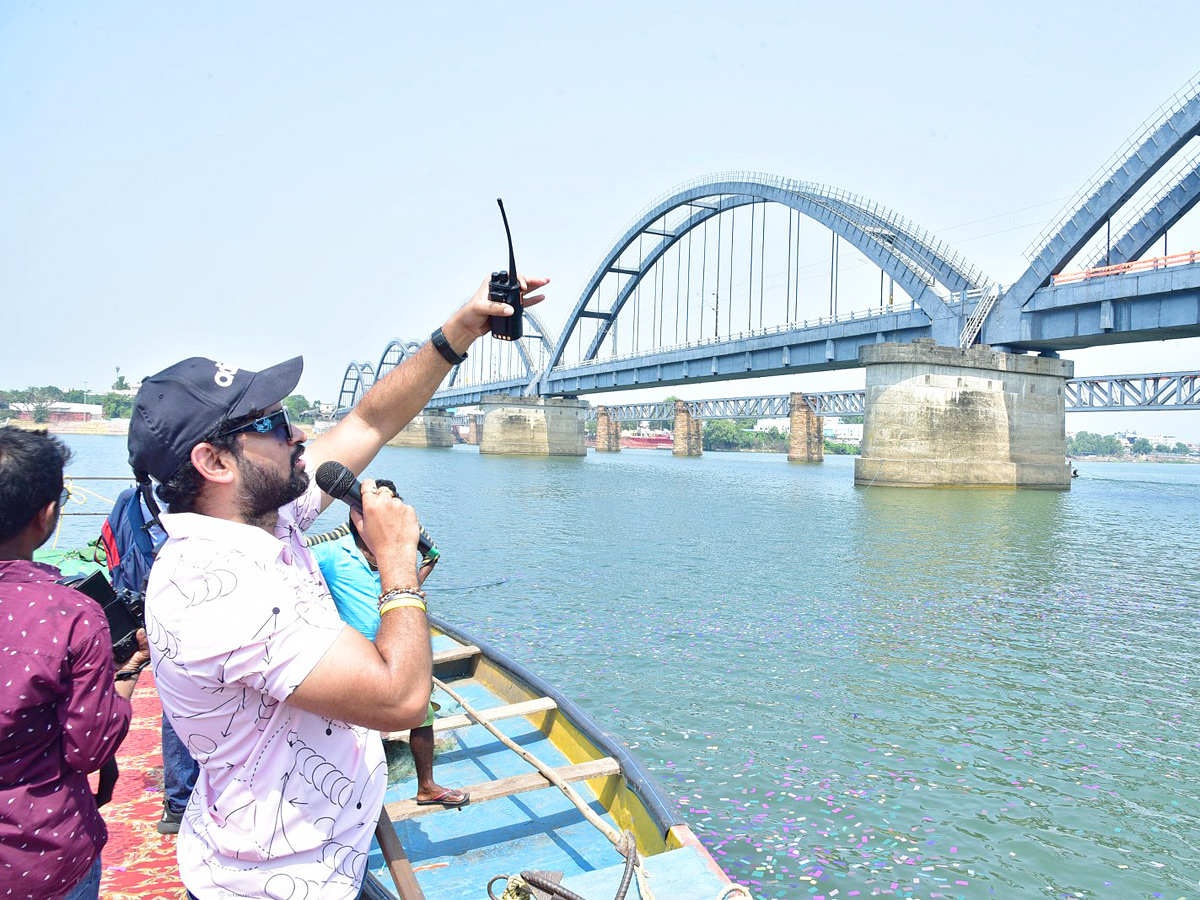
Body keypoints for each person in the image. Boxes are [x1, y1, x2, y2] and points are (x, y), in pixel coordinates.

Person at [129, 275, 546, 899]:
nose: (297, 435)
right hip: (278, 884)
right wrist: (397, 558)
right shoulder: (220, 591)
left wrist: (459, 331)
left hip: (318, 856)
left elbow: (369, 421)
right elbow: (402, 698)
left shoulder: (260, 519)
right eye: (270, 424)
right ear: (214, 463)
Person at [0, 427, 150, 900]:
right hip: (39, 860)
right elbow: (89, 748)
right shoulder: (69, 614)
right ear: (46, 516)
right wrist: (127, 670)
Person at [310, 490, 469, 809]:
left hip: (400, 648)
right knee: (346, 727)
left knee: (421, 713)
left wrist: (413, 584)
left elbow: (433, 554)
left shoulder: (400, 551)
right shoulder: (330, 552)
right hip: (355, 656)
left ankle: (426, 786)